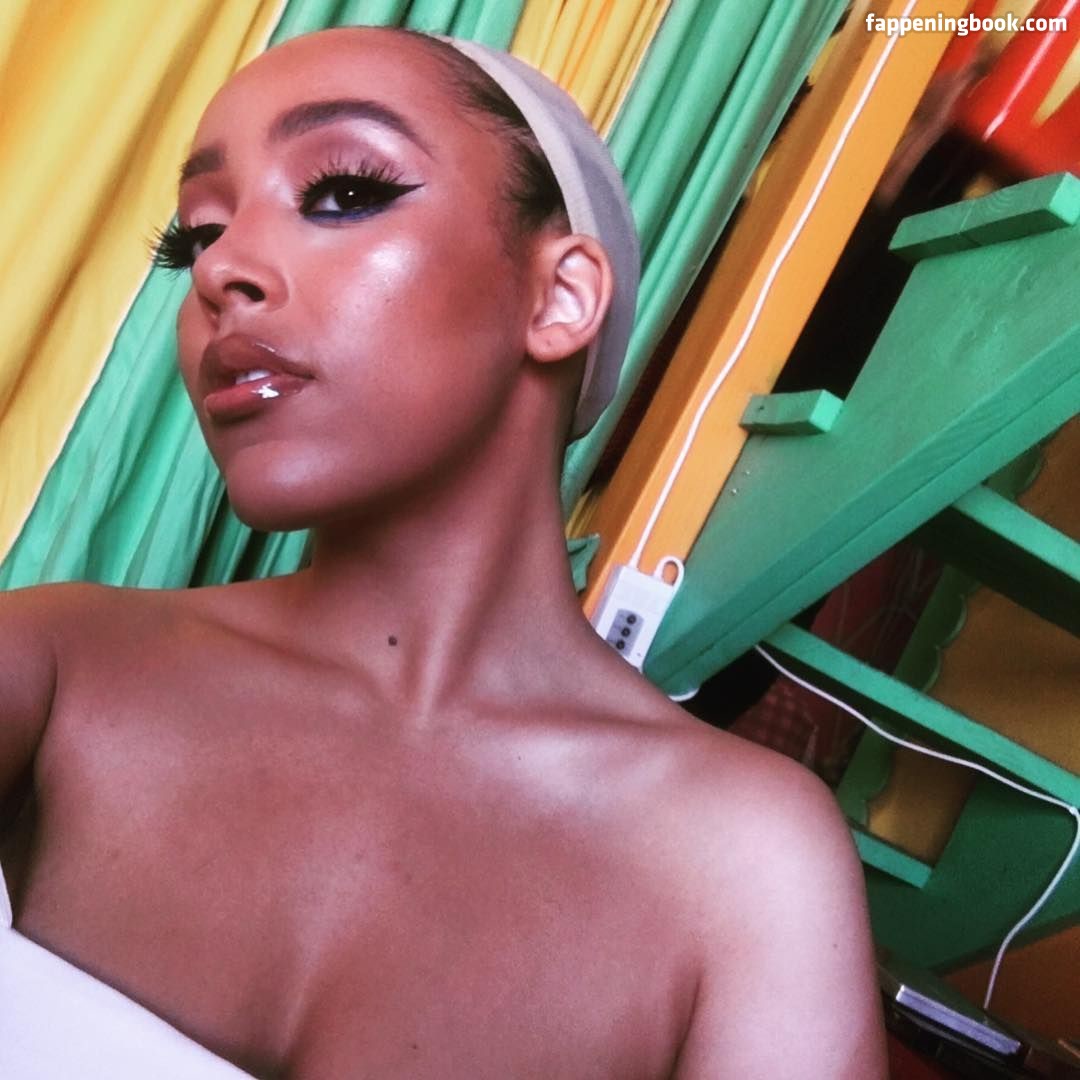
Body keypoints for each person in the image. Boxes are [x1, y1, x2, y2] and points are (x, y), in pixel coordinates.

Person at [0, 25, 887, 1079]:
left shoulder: (745, 865)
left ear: (559, 298)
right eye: (196, 236)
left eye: (343, 191)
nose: (221, 269)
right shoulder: (51, 666)